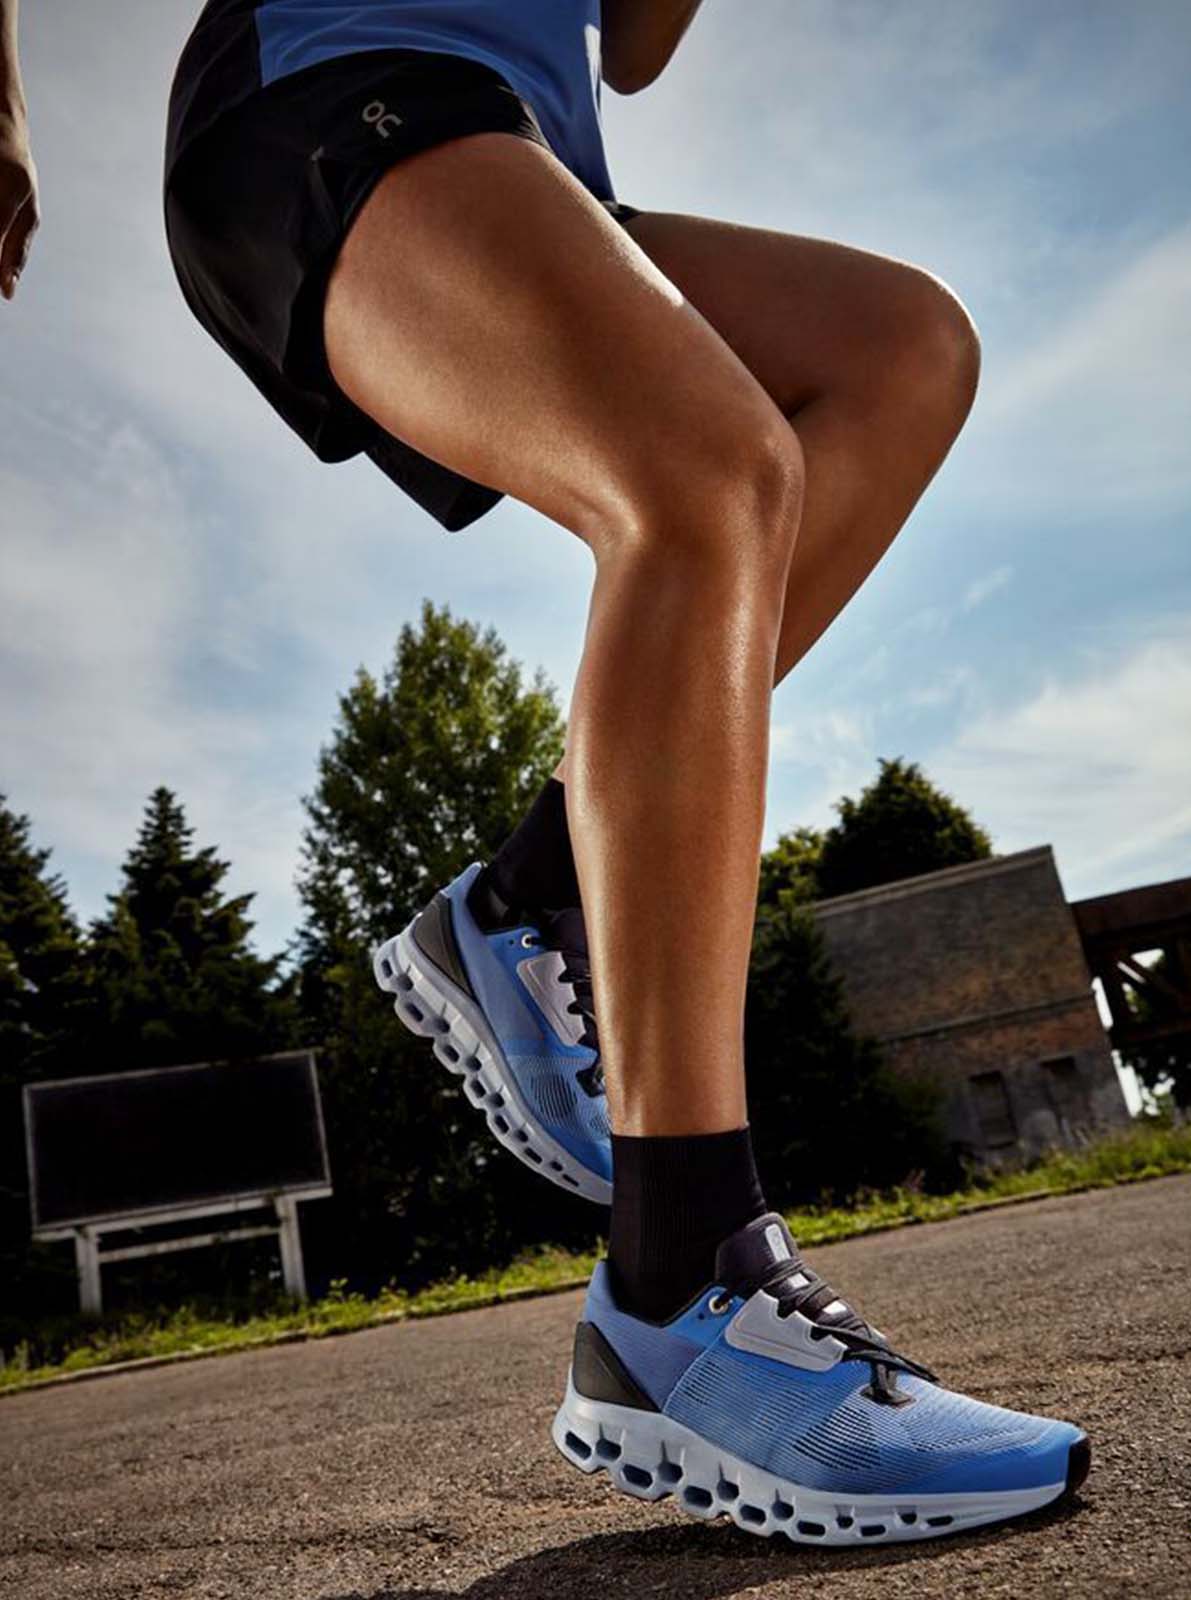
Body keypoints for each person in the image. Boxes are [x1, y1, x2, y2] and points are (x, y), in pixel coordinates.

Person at [2, 0, 1090, 1545]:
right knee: (706, 472)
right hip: (334, 79)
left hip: (531, 147)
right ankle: (683, 1284)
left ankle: (531, 895)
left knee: (899, 352)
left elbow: (632, 47)